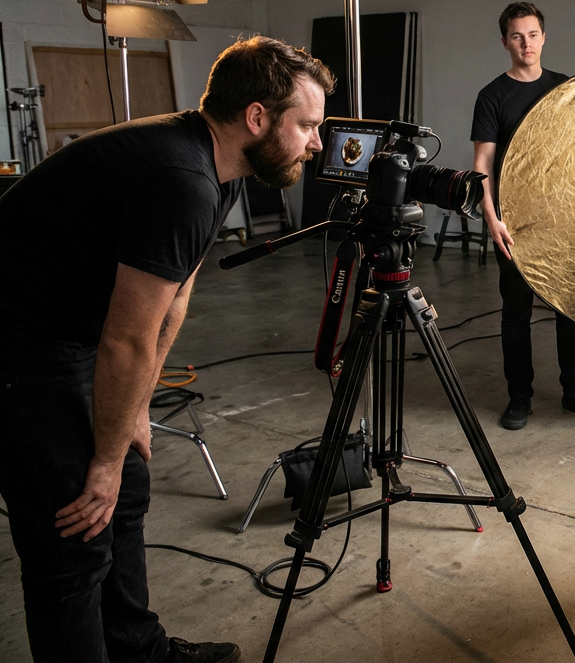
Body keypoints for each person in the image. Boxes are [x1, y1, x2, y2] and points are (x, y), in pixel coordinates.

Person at [0, 36, 332, 663]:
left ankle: (136, 650)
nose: (318, 142)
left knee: (126, 485)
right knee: (74, 539)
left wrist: (129, 417)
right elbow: (125, 338)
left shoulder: (222, 167)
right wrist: (100, 456)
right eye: (308, 125)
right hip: (20, 348)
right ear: (257, 117)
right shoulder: (181, 176)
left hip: (67, 334)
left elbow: (173, 299)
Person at [471, 1, 575, 430]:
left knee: (569, 307)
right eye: (517, 36)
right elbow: (481, 165)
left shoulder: (564, 87)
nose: (526, 43)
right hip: (514, 224)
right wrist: (491, 216)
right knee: (515, 311)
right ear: (505, 42)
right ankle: (520, 398)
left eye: (533, 34)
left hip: (564, 219)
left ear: (544, 37)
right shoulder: (492, 96)